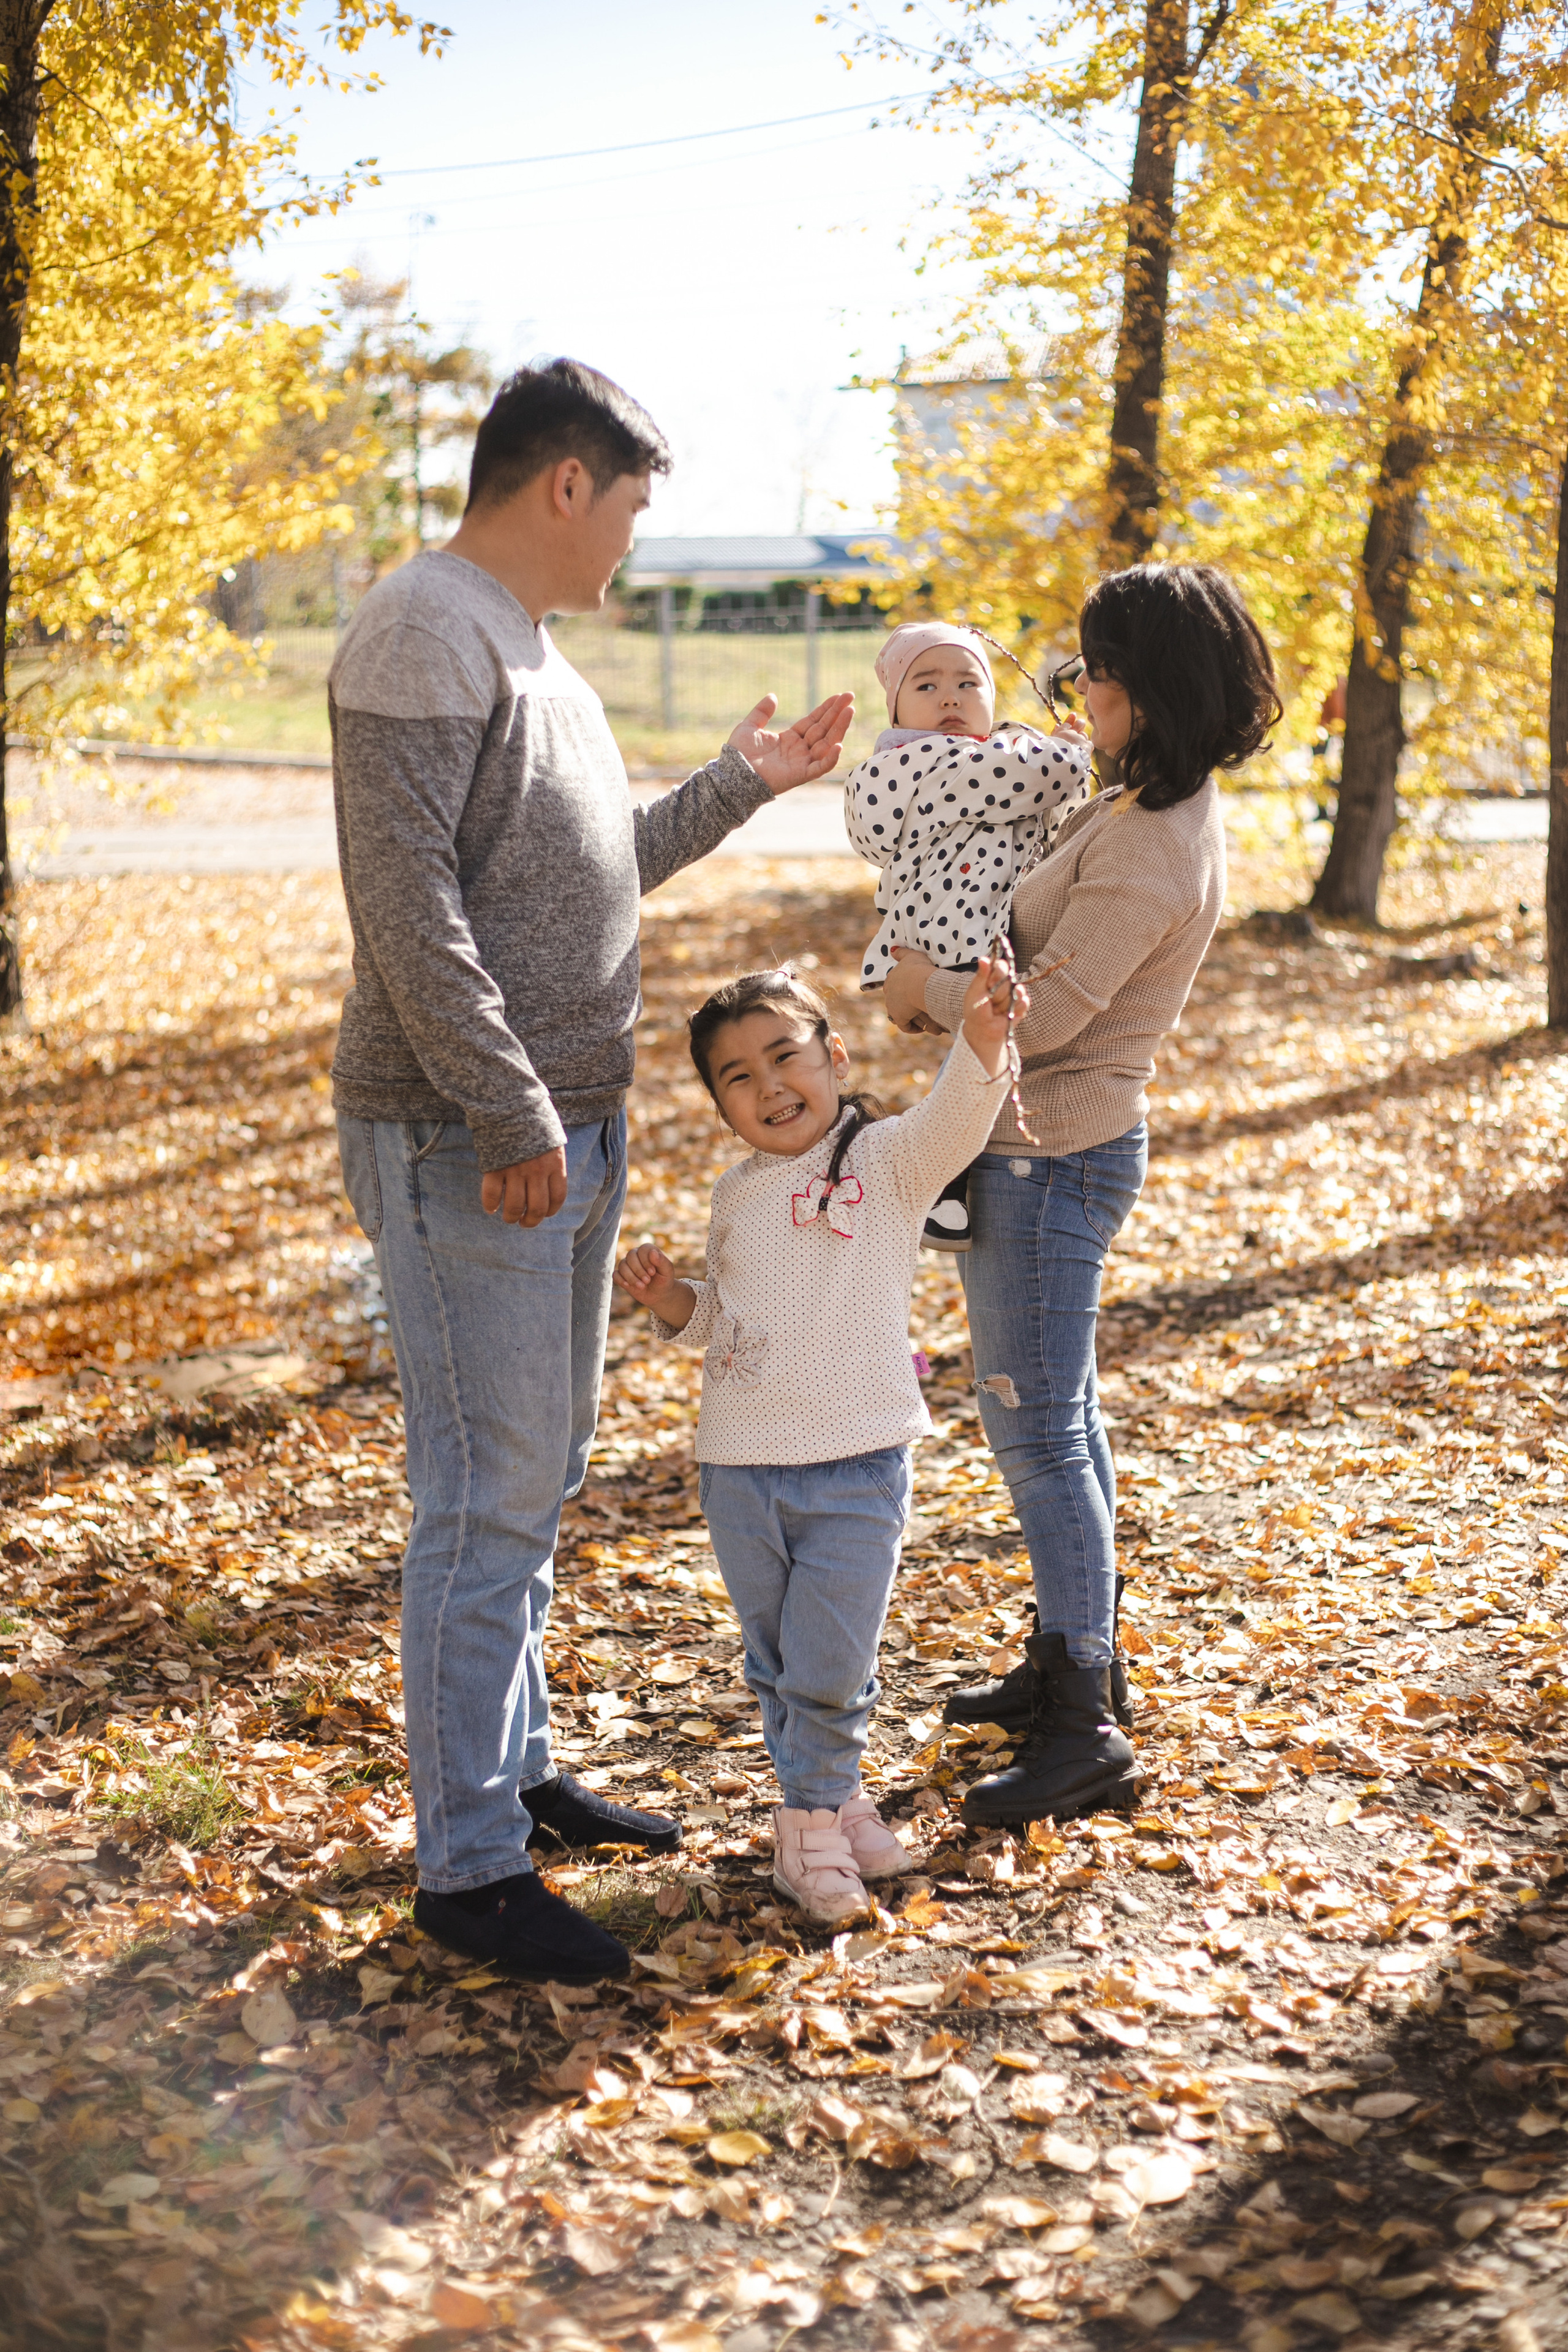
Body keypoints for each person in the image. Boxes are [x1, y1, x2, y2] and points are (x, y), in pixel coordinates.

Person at [330, 358, 853, 1985]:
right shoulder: (424, 627)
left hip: (557, 1133)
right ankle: (467, 1869)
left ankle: (517, 1770)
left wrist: (739, 790)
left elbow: (589, 870)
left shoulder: (534, 653)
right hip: (471, 1143)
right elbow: (407, 907)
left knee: (532, 1479)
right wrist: (507, 1113)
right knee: (482, 1499)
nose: (631, 539)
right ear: (567, 482)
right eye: (630, 505)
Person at [882, 564, 1282, 1827]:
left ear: (1152, 688)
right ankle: (1067, 1656)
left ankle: (1084, 1727)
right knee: (1063, 1421)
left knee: (1036, 1432)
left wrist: (919, 993)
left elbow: (1045, 1022)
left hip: (1051, 1151)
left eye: (1100, 666)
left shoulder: (1154, 846)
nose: (1080, 684)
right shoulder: (1132, 806)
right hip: (1030, 1145)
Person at [612, 956, 1023, 1924]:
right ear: (721, 1106)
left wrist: (984, 1042)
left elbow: (957, 1119)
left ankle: (804, 1833)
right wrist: (672, 1300)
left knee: (831, 1659)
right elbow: (728, 1318)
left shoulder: (883, 1161)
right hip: (740, 1465)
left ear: (834, 1057)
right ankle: (839, 1799)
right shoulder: (735, 1196)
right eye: (738, 1078)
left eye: (784, 1057)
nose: (768, 1086)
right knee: (781, 1661)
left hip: (856, 1459)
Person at [843, 622, 1089, 1251]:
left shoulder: (1006, 754)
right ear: (897, 708)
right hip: (943, 928)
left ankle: (942, 1185)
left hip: (986, 926)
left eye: (967, 683)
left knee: (975, 1057)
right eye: (926, 685)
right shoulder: (916, 763)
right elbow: (1022, 781)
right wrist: (1064, 753)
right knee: (976, 1051)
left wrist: (1058, 761)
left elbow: (1062, 814)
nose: (949, 698)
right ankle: (941, 1184)